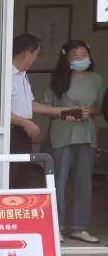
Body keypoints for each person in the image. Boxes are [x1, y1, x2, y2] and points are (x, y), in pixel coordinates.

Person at [44, 39, 104, 244]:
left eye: (84, 55)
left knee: (84, 182)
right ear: (66, 59)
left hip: (87, 135)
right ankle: (56, 226)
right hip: (62, 135)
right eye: (75, 57)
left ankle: (80, 227)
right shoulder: (58, 79)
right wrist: (68, 112)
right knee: (58, 182)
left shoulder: (97, 79)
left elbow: (101, 107)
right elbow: (45, 108)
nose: (81, 59)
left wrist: (89, 111)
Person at [0, 34, 65, 189]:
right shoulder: (0, 73)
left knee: (22, 178)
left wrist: (63, 111)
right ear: (26, 54)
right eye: (36, 54)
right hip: (8, 132)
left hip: (22, 133)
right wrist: (25, 123)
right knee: (8, 178)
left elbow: (31, 105)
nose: (36, 59)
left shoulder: (22, 75)